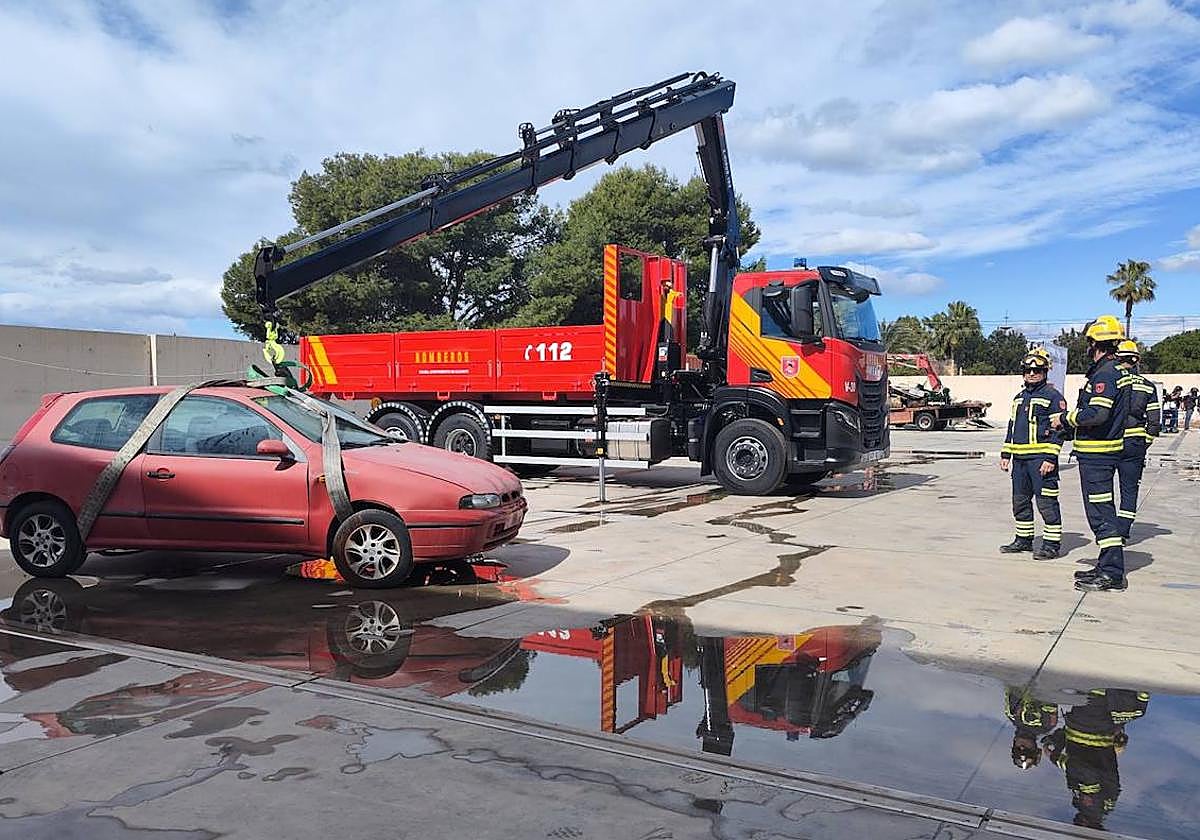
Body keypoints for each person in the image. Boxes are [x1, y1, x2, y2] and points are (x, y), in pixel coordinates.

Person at [1051, 316, 1132, 592]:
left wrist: (1066, 419)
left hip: (1099, 457)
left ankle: (1112, 573)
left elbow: (1098, 414)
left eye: (1089, 343)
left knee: (1101, 514)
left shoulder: (1105, 374)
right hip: (1099, 455)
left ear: (1095, 343)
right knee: (1101, 511)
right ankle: (1105, 564)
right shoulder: (1111, 371)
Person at [1041, 688, 1149, 831]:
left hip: (1091, 726)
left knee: (1104, 690)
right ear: (1086, 827)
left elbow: (1080, 759)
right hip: (1090, 726)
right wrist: (1056, 758)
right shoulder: (1092, 806)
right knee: (1099, 687)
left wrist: (1058, 739)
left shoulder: (1098, 806)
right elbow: (1086, 772)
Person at [1000, 348, 1067, 559]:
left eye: (1037, 370)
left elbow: (1060, 430)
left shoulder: (1053, 397)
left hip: (1041, 461)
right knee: (1020, 501)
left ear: (1045, 371)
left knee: (1046, 503)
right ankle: (1024, 539)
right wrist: (1006, 453)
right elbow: (1012, 426)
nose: (1031, 373)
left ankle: (1051, 544)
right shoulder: (1018, 398)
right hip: (1020, 461)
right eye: (1028, 370)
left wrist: (1050, 458)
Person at [1114, 341, 1160, 541]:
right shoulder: (1148, 387)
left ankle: (1108, 532)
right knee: (1130, 488)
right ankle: (1123, 531)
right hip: (1134, 443)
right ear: (1136, 360)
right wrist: (1145, 440)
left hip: (1109, 442)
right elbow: (1154, 421)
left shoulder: (1110, 381)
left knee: (1103, 490)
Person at [1004, 685, 1058, 770]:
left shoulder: (1011, 716)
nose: (1022, 747)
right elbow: (1050, 692)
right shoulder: (1046, 725)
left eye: (1017, 749)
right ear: (1035, 748)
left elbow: (1012, 685)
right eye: (1027, 750)